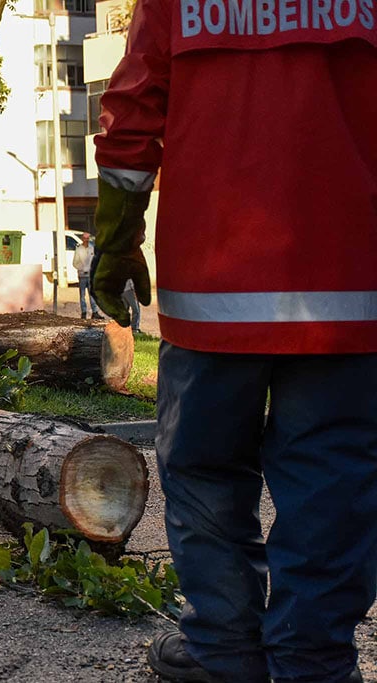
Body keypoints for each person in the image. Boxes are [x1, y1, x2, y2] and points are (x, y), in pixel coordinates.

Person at [90, 1, 376, 681]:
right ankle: (312, 660)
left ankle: (224, 649)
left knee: (206, 471)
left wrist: (118, 236)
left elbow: (133, 110)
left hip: (213, 288)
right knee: (331, 482)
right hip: (344, 288)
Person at [72, 232, 103, 320]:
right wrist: (82, 268)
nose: (86, 240)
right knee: (82, 295)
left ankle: (95, 312)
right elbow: (75, 263)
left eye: (87, 238)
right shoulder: (79, 249)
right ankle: (84, 312)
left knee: (92, 294)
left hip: (90, 275)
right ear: (82, 239)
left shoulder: (91, 248)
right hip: (82, 275)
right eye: (85, 238)